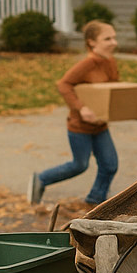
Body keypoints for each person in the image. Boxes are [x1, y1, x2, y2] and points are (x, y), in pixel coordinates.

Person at [30, 20, 123, 205]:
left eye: (114, 38)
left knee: (110, 165)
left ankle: (95, 201)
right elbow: (64, 85)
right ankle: (40, 179)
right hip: (79, 126)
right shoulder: (87, 64)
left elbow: (113, 87)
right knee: (79, 165)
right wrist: (81, 108)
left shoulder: (109, 62)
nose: (114, 42)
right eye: (107, 39)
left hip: (99, 124)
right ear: (91, 42)